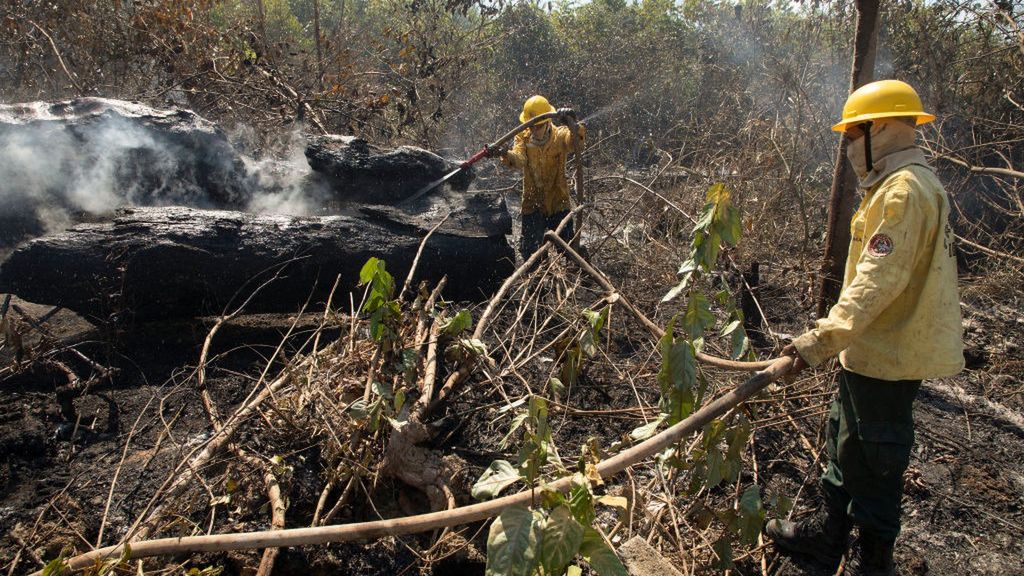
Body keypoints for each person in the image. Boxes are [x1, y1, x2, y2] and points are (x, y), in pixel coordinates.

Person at [768, 79, 965, 575]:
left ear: (879, 129)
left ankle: (873, 563)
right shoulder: (898, 185)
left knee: (875, 461)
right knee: (846, 445)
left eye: (853, 135)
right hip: (873, 350)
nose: (851, 147)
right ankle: (826, 541)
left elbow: (876, 282)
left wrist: (817, 342)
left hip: (889, 354)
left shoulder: (903, 193)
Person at [493, 95, 585, 258]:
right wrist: (504, 153)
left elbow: (575, 143)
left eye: (539, 126)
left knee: (570, 251)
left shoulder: (560, 135)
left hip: (558, 203)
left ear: (548, 121)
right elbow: (519, 160)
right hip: (532, 204)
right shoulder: (522, 136)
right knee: (532, 254)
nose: (534, 130)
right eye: (531, 126)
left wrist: (573, 123)